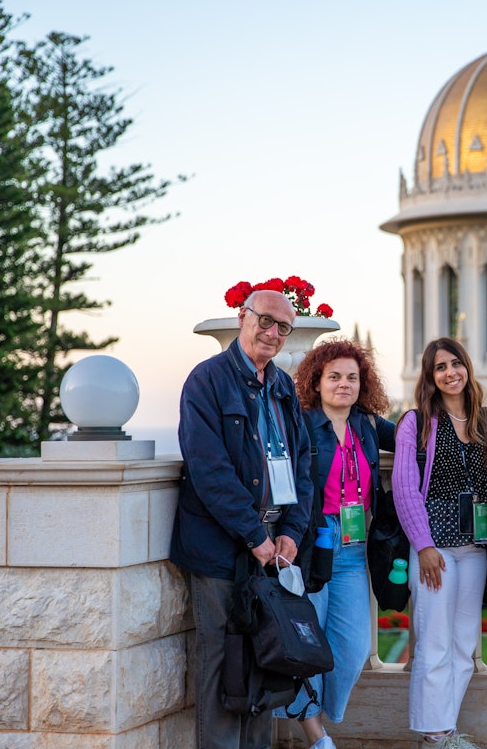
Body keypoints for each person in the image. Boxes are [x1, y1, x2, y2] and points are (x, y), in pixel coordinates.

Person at [171, 288, 315, 749]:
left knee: (263, 660)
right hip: (222, 548)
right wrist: (256, 536)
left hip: (273, 545)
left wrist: (292, 531)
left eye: (283, 327)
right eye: (265, 321)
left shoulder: (282, 387)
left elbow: (302, 465)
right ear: (242, 317)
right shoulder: (206, 381)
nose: (272, 333)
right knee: (222, 660)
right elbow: (209, 470)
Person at [273, 339, 397, 749]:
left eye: (352, 377)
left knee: (353, 646)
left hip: (354, 548)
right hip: (310, 548)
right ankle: (317, 738)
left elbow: (418, 442)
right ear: (317, 381)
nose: (344, 384)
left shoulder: (366, 424)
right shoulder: (303, 423)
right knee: (306, 644)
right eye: (334, 377)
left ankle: (312, 714)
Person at [392, 337, 487, 749]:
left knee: (463, 643)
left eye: (456, 364)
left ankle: (444, 731)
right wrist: (422, 546)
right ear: (431, 377)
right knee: (434, 640)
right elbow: (405, 488)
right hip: (434, 547)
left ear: (467, 367)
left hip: (475, 546)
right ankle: (433, 733)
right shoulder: (416, 422)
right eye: (440, 367)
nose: (450, 373)